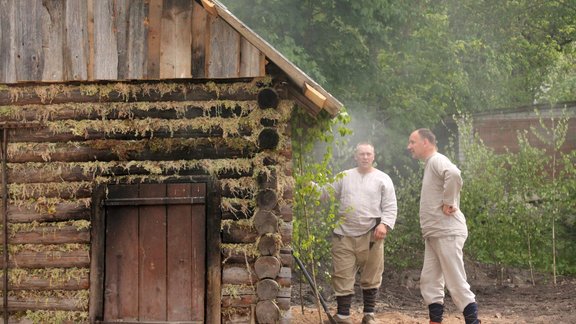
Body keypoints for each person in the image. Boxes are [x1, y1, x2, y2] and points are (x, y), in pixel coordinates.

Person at [315, 142, 398, 324]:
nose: (365, 157)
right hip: (344, 234)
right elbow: (325, 194)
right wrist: (307, 184)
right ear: (355, 156)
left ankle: (369, 315)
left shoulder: (383, 179)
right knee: (342, 274)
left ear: (373, 156)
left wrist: (384, 225)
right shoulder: (344, 176)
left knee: (372, 275)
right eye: (362, 154)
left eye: (368, 154)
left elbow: (390, 206)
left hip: (372, 235)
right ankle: (343, 316)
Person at [407, 128, 481, 324]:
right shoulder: (430, 163)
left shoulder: (437, 159)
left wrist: (449, 202)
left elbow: (454, 174)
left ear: (426, 142)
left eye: (412, 142)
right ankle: (435, 321)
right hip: (434, 233)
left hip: (447, 231)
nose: (409, 146)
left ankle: (473, 322)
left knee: (455, 281)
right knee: (430, 280)